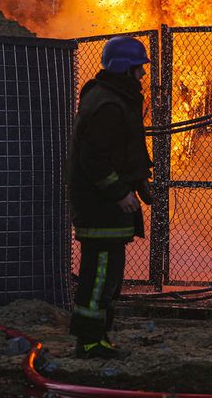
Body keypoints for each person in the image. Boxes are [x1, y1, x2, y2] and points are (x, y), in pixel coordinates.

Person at [67, 36, 153, 360]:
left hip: (105, 208)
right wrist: (120, 193)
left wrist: (140, 184)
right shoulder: (108, 105)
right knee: (99, 276)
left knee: (108, 278)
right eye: (138, 68)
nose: (142, 75)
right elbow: (93, 158)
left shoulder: (114, 99)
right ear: (124, 68)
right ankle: (89, 342)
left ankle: (98, 337)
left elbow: (124, 150)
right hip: (100, 208)